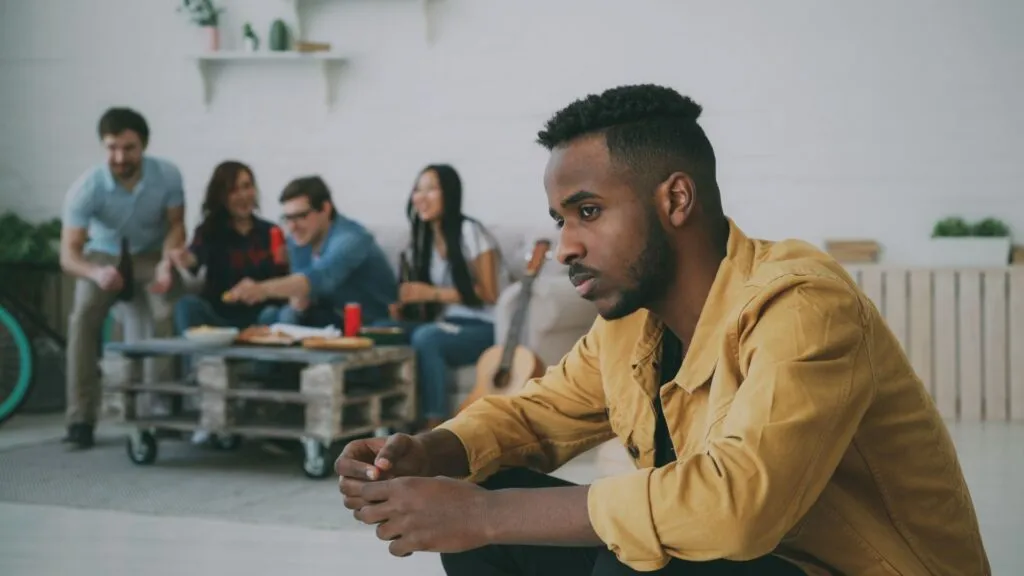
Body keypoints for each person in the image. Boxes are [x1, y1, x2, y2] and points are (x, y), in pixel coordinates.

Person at [335, 85, 991, 576]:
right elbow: (534, 417)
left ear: (675, 200)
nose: (564, 245)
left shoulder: (803, 304)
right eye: (560, 220)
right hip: (754, 562)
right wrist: (430, 452)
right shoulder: (630, 323)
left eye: (586, 211)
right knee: (505, 500)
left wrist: (478, 518)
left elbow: (737, 507)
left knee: (643, 555)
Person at [60, 107, 186, 450]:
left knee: (166, 310)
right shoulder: (86, 188)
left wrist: (166, 262)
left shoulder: (168, 176)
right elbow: (69, 254)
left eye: (128, 148)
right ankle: (80, 419)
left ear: (142, 146)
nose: (120, 156)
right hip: (102, 256)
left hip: (149, 255)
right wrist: (95, 271)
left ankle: (161, 409)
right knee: (82, 317)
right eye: (112, 147)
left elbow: (176, 226)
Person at [385, 164, 503, 431]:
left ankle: (434, 426)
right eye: (418, 189)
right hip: (447, 323)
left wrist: (431, 293)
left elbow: (490, 293)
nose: (421, 197)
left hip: (487, 326)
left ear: (449, 195)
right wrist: (406, 307)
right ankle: (387, 421)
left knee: (427, 338)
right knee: (385, 330)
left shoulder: (471, 232)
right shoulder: (421, 241)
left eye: (431, 189)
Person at [225, 175, 397, 328]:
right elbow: (302, 295)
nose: (292, 227)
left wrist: (262, 289)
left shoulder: (351, 239)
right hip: (327, 317)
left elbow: (319, 278)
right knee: (272, 315)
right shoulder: (299, 241)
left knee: (285, 317)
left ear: (325, 209)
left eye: (301, 216)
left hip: (370, 322)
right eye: (288, 218)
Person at [171, 161, 290, 333]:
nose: (243, 195)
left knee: (275, 313)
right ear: (222, 196)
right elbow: (194, 259)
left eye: (247, 187)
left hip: (261, 317)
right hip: (218, 317)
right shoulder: (209, 230)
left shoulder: (271, 231)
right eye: (234, 190)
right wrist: (183, 258)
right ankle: (194, 359)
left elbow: (284, 278)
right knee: (186, 306)